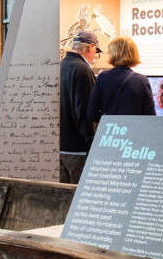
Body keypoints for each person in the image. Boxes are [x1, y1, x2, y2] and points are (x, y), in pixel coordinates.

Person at [59, 31, 100, 184]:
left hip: (60, 146)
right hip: (77, 150)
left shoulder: (61, 65)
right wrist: (91, 141)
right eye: (96, 51)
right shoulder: (83, 70)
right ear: (90, 47)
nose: (94, 56)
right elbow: (84, 112)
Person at [87, 35, 155, 124]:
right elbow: (150, 116)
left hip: (111, 133)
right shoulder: (141, 80)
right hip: (133, 133)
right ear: (133, 53)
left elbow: (92, 114)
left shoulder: (102, 78)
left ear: (112, 54)